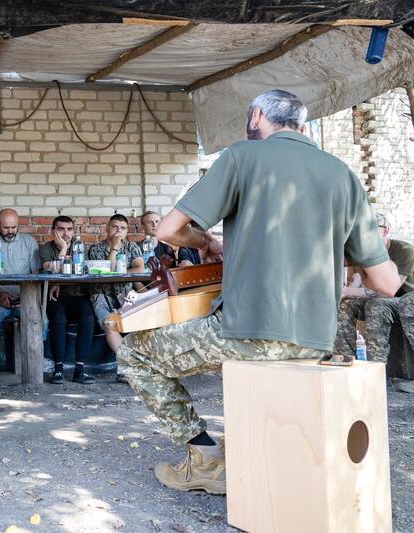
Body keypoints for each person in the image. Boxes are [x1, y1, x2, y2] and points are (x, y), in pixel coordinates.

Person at [116, 89, 401, 495]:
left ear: (255, 116)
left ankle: (205, 458)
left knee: (135, 353)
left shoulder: (240, 157)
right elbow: (386, 283)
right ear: (303, 127)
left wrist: (204, 242)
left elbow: (167, 231)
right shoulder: (343, 175)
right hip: (315, 341)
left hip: (248, 334)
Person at [333, 213, 414, 364]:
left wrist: (344, 291)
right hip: (386, 302)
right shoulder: (363, 253)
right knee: (347, 305)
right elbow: (356, 282)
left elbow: (387, 291)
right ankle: (345, 361)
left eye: (372, 229)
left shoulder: (404, 251)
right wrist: (342, 295)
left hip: (407, 300)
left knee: (375, 304)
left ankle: (376, 365)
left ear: (386, 231)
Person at [39, 216, 95, 384]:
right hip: (55, 297)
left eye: (69, 229)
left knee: (88, 317)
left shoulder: (80, 247)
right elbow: (52, 268)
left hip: (77, 295)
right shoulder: (44, 249)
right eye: (61, 229)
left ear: (74, 231)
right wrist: (63, 249)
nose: (65, 233)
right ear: (53, 231)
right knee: (58, 319)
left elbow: (84, 272)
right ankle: (58, 369)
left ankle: (79, 369)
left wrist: (59, 282)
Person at [87, 214, 144, 379]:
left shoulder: (132, 246)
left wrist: (120, 272)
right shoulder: (96, 249)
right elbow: (107, 271)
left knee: (139, 323)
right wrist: (115, 248)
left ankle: (129, 368)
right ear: (107, 228)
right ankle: (128, 366)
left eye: (123, 228)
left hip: (126, 295)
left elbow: (139, 269)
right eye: (115, 227)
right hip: (101, 295)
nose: (119, 231)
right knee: (109, 323)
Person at [0, 208, 40, 343]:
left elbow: (36, 274)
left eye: (14, 227)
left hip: (25, 300)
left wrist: (26, 297)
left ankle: (38, 360)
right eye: (6, 227)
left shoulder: (29, 242)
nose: (10, 231)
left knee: (43, 321)